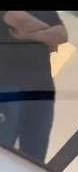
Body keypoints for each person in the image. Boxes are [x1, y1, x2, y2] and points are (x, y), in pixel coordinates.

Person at [0, 11, 68, 162]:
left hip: (42, 89)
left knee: (35, 158)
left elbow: (62, 36)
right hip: (8, 85)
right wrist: (47, 33)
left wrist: (30, 35)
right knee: (4, 147)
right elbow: (17, 19)